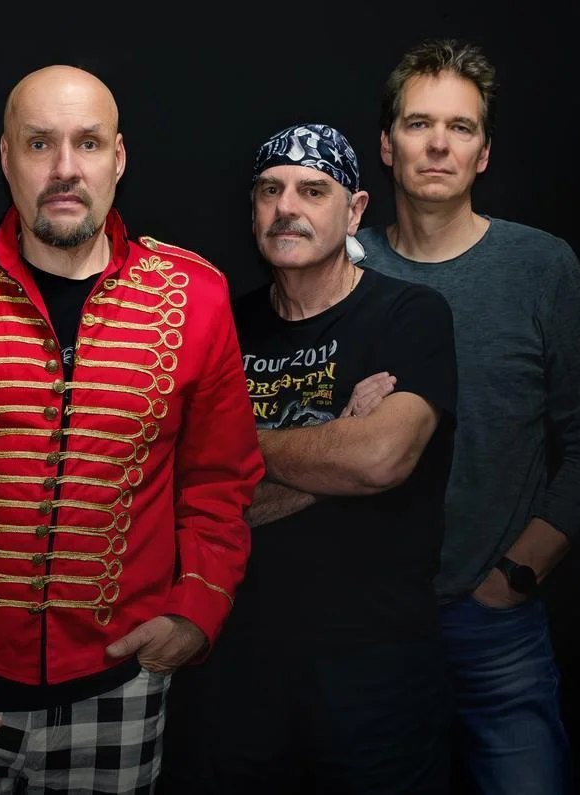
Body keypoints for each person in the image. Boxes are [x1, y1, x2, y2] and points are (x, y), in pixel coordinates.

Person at [0, 64, 264, 795]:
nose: (65, 168)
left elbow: (221, 480)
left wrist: (197, 608)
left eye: (87, 143)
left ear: (118, 159)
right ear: (6, 160)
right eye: (39, 144)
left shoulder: (197, 295)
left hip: (121, 688)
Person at [161, 123, 459, 794]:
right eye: (270, 190)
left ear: (354, 210)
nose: (286, 207)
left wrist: (231, 449)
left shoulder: (410, 315)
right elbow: (181, 498)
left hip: (376, 674)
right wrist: (335, 443)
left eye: (312, 190)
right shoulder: (218, 325)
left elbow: (379, 459)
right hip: (233, 672)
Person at [357, 38, 580, 795]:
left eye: (460, 127)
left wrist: (515, 576)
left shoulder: (541, 267)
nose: (438, 144)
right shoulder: (344, 265)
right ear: (387, 146)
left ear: (484, 153)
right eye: (419, 123)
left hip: (495, 618)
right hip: (367, 624)